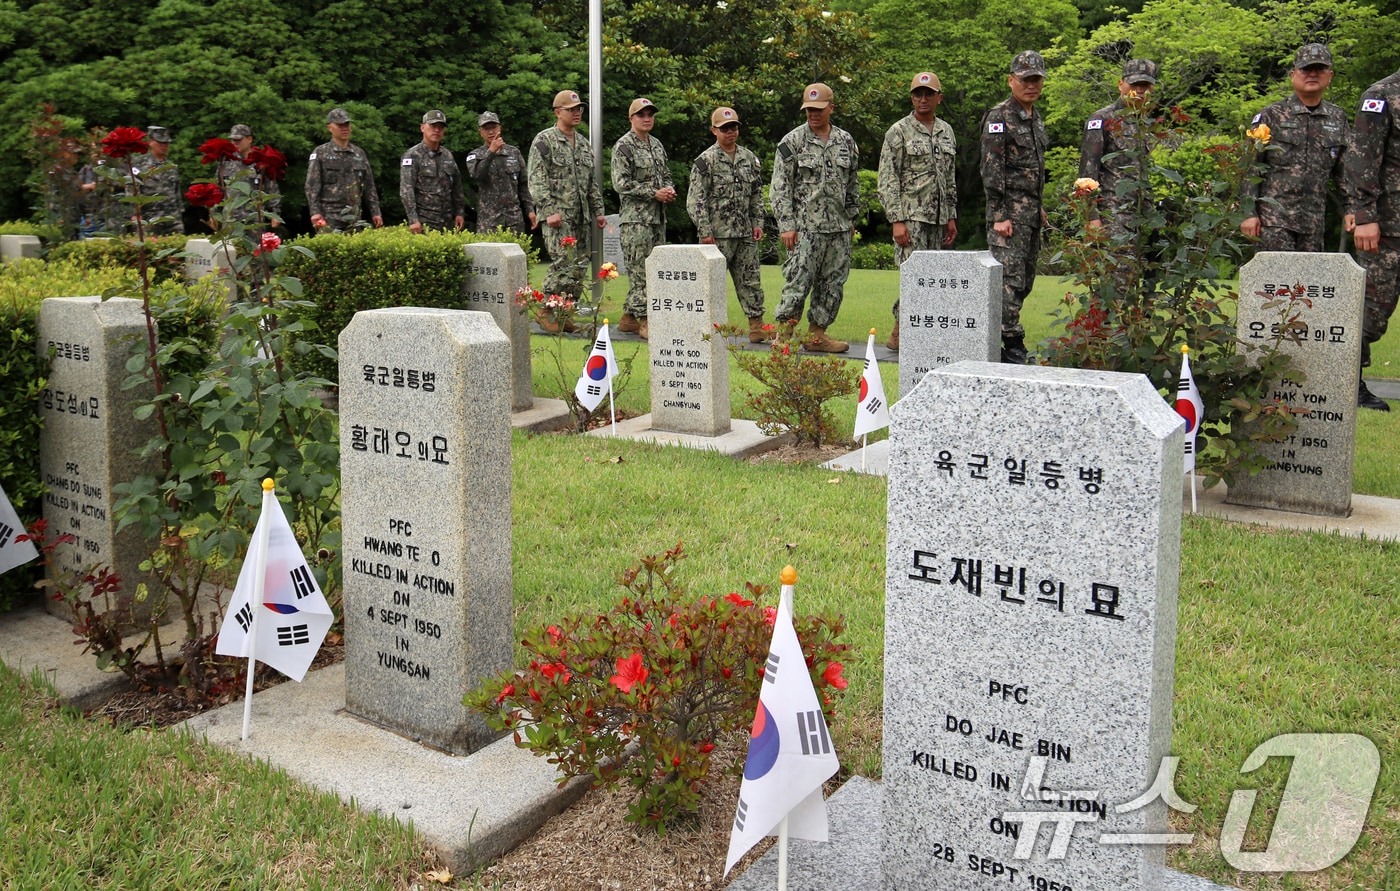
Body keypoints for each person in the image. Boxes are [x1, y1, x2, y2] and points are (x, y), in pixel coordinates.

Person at [770, 82, 861, 353]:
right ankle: (784, 335)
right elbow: (780, 187)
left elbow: (853, 183)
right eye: (809, 109)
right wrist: (787, 225)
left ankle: (817, 335)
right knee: (798, 280)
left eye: (819, 109)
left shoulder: (846, 141)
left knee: (833, 283)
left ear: (831, 108)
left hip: (838, 227)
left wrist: (852, 217)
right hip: (805, 228)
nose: (813, 114)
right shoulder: (792, 142)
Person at [1241, 44, 1350, 253]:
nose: (1312, 74)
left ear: (1330, 75)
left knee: (1308, 284)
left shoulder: (1337, 118)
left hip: (1314, 223)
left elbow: (1344, 172)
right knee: (1273, 284)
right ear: (1293, 74)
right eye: (1305, 69)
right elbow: (1249, 168)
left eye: (1319, 69)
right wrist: (1248, 212)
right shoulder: (1271, 115)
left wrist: (1352, 209)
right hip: (1274, 221)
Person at [878, 72, 958, 350]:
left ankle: (926, 330)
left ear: (939, 97)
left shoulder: (946, 131)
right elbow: (887, 179)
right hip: (911, 218)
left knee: (933, 279)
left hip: (938, 219)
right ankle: (900, 331)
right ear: (912, 97)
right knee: (912, 277)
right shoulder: (898, 131)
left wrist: (951, 216)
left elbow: (949, 178)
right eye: (917, 94)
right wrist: (896, 220)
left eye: (928, 94)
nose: (923, 99)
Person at [981, 51, 1049, 364]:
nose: (1031, 85)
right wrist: (999, 215)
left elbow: (1034, 170)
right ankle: (1009, 343)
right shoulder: (1000, 117)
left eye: (1036, 79)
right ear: (1011, 81)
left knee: (1025, 279)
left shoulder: (1035, 118)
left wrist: (1040, 208)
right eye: (1025, 79)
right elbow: (992, 168)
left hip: (1030, 214)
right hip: (1008, 216)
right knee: (1008, 280)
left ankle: (1007, 338)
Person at [687, 107, 767, 342]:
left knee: (751, 280)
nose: (730, 132)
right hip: (717, 235)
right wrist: (704, 230)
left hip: (744, 232)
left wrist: (757, 221)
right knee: (711, 284)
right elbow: (695, 199)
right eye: (725, 128)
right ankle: (705, 328)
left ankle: (756, 325)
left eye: (734, 127)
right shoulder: (705, 161)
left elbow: (756, 194)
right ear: (714, 130)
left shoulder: (749, 158)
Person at [1347, 63, 1400, 411]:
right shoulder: (1381, 96)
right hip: (1390, 230)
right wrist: (1365, 215)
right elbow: (1363, 158)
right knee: (1370, 314)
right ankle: (1350, 386)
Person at [526, 90, 606, 304]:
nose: (577, 113)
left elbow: (591, 182)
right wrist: (549, 210)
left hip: (581, 216)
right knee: (563, 263)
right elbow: (536, 179)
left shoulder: (582, 143)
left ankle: (565, 310)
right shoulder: (545, 141)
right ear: (558, 112)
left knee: (579, 266)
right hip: (558, 217)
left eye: (579, 108)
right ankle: (548, 309)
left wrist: (598, 211)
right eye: (571, 109)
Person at [612, 97, 677, 340]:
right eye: (641, 115)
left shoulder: (656, 144)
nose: (647, 118)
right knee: (641, 272)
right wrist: (653, 193)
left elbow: (666, 174)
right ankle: (646, 321)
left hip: (657, 220)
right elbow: (620, 183)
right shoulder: (624, 146)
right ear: (631, 119)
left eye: (650, 114)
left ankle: (629, 318)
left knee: (655, 269)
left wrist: (668, 189)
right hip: (635, 221)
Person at [1079, 58, 1159, 238]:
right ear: (1121, 84)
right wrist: (1092, 217)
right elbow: (1087, 173)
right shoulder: (1102, 120)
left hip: (1141, 216)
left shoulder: (1143, 121)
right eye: (1134, 84)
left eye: (1145, 85)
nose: (1139, 90)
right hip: (1112, 216)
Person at [305, 107, 383, 233]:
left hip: (354, 216)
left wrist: (376, 212)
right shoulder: (321, 153)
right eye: (340, 125)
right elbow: (312, 185)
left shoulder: (359, 153)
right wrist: (315, 212)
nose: (345, 128)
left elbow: (369, 186)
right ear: (330, 127)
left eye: (347, 124)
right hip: (329, 215)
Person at [465, 111, 536, 234]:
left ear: (500, 128)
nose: (491, 132)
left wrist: (530, 210)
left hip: (513, 220)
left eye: (493, 127)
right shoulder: (475, 155)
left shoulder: (514, 153)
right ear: (480, 132)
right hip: (489, 223)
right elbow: (477, 175)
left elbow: (524, 184)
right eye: (486, 129)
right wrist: (491, 152)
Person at [400, 110, 465, 233]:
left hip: (448, 223)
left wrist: (460, 213)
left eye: (440, 127)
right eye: (433, 126)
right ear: (422, 127)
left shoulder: (447, 155)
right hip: (424, 223)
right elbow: (406, 190)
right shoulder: (412, 156)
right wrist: (413, 220)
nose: (437, 130)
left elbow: (457, 187)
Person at [219, 124, 282, 230]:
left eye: (238, 140)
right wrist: (214, 213)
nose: (235, 143)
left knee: (255, 246)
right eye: (233, 140)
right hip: (231, 219)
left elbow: (272, 189)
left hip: (254, 219)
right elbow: (218, 187)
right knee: (231, 247)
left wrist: (276, 213)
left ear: (249, 139)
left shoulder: (260, 161)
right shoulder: (226, 161)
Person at [131, 125, 183, 235]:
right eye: (160, 142)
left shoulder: (171, 166)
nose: (163, 146)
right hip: (149, 217)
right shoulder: (139, 164)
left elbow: (177, 191)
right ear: (150, 142)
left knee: (178, 247)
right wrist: (136, 213)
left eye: (166, 143)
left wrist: (180, 211)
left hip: (172, 217)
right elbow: (132, 188)